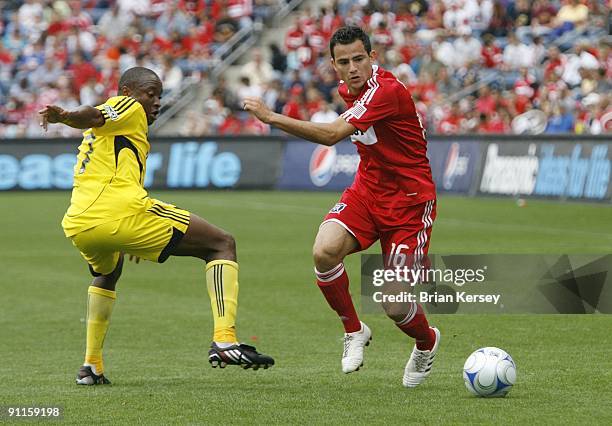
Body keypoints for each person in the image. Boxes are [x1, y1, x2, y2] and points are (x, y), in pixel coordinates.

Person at [38, 67, 274, 385]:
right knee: (222, 244)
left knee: (108, 272)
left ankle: (91, 366)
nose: (156, 102)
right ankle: (225, 341)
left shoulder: (111, 134)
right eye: (150, 93)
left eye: (159, 95)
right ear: (127, 91)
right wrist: (65, 116)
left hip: (80, 223)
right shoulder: (127, 106)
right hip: (120, 214)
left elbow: (97, 128)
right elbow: (92, 114)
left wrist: (128, 236)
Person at [244, 26, 439, 388]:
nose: (353, 68)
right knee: (324, 251)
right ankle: (354, 329)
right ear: (334, 65)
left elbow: (333, 135)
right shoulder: (347, 90)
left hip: (410, 205)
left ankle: (426, 342)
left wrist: (271, 118)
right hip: (367, 192)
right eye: (344, 62)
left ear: (373, 58)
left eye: (359, 59)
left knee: (394, 304)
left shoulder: (387, 92)